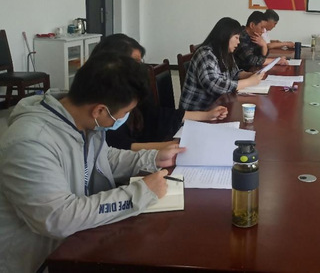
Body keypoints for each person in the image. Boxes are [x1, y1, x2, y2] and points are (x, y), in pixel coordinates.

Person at [0, 53, 186, 273]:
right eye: (125, 113)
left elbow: (103, 158)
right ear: (99, 110)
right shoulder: (30, 142)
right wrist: (140, 193)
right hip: (42, 261)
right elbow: (58, 218)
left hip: (80, 240)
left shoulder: (83, 120)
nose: (125, 118)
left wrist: (151, 158)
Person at [90, 34, 228, 151]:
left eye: (140, 62)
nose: (140, 67)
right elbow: (119, 147)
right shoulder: (103, 98)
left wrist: (206, 115)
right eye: (135, 62)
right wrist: (169, 146)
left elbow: (156, 115)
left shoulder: (132, 88)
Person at [180, 17, 265, 111]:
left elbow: (235, 73)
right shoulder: (205, 54)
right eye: (236, 37)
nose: (238, 42)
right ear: (225, 36)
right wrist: (249, 82)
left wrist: (250, 75)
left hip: (216, 107)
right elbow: (215, 85)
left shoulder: (225, 52)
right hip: (198, 111)